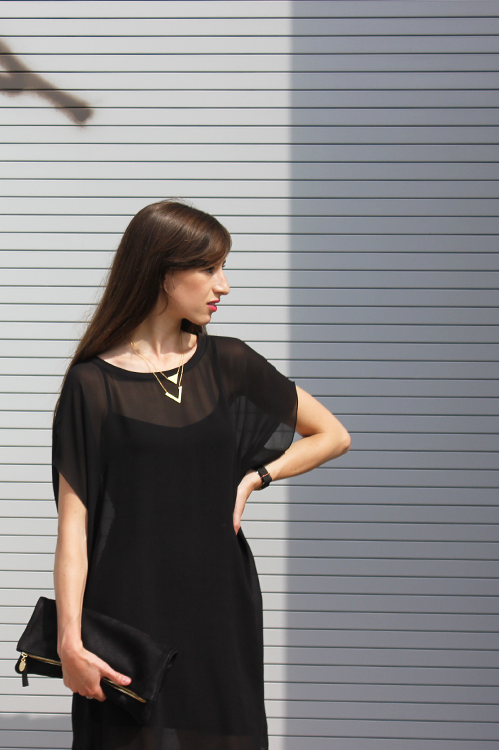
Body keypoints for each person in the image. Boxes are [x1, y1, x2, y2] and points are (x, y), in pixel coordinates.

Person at [52, 200, 350, 749]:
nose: (225, 285)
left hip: (218, 605)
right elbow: (75, 523)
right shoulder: (91, 385)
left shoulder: (230, 363)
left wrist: (256, 476)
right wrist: (69, 638)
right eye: (210, 269)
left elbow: (332, 434)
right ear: (165, 275)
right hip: (128, 609)